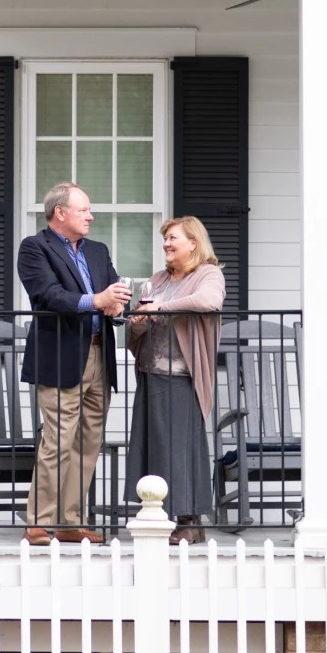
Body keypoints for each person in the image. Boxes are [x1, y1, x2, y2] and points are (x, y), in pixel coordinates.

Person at [17, 182, 133, 547]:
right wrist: (98, 300)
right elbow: (48, 295)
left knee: (87, 440)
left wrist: (117, 306)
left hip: (99, 353)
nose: (91, 216)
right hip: (60, 355)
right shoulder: (35, 247)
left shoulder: (98, 251)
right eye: (84, 210)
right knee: (59, 438)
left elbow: (115, 292)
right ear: (60, 212)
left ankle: (70, 521)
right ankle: (38, 520)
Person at [124, 216, 226, 545]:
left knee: (180, 448)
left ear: (193, 243)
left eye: (173, 238)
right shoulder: (156, 280)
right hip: (151, 372)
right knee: (154, 447)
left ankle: (188, 519)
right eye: (165, 239)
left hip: (182, 376)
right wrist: (138, 320)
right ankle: (162, 517)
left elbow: (208, 301)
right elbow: (138, 329)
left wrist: (161, 308)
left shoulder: (207, 274)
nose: (166, 244)